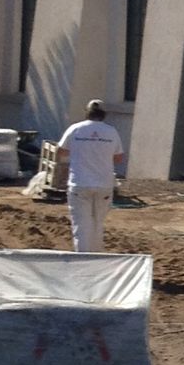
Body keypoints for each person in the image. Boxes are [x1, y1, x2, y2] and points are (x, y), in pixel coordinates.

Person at [57, 100, 126, 254]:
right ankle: (96, 256)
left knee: (81, 225)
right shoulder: (111, 131)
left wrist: (80, 152)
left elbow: (61, 152)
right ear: (104, 114)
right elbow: (119, 158)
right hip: (104, 185)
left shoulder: (75, 129)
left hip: (79, 183)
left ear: (87, 112)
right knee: (97, 224)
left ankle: (83, 260)